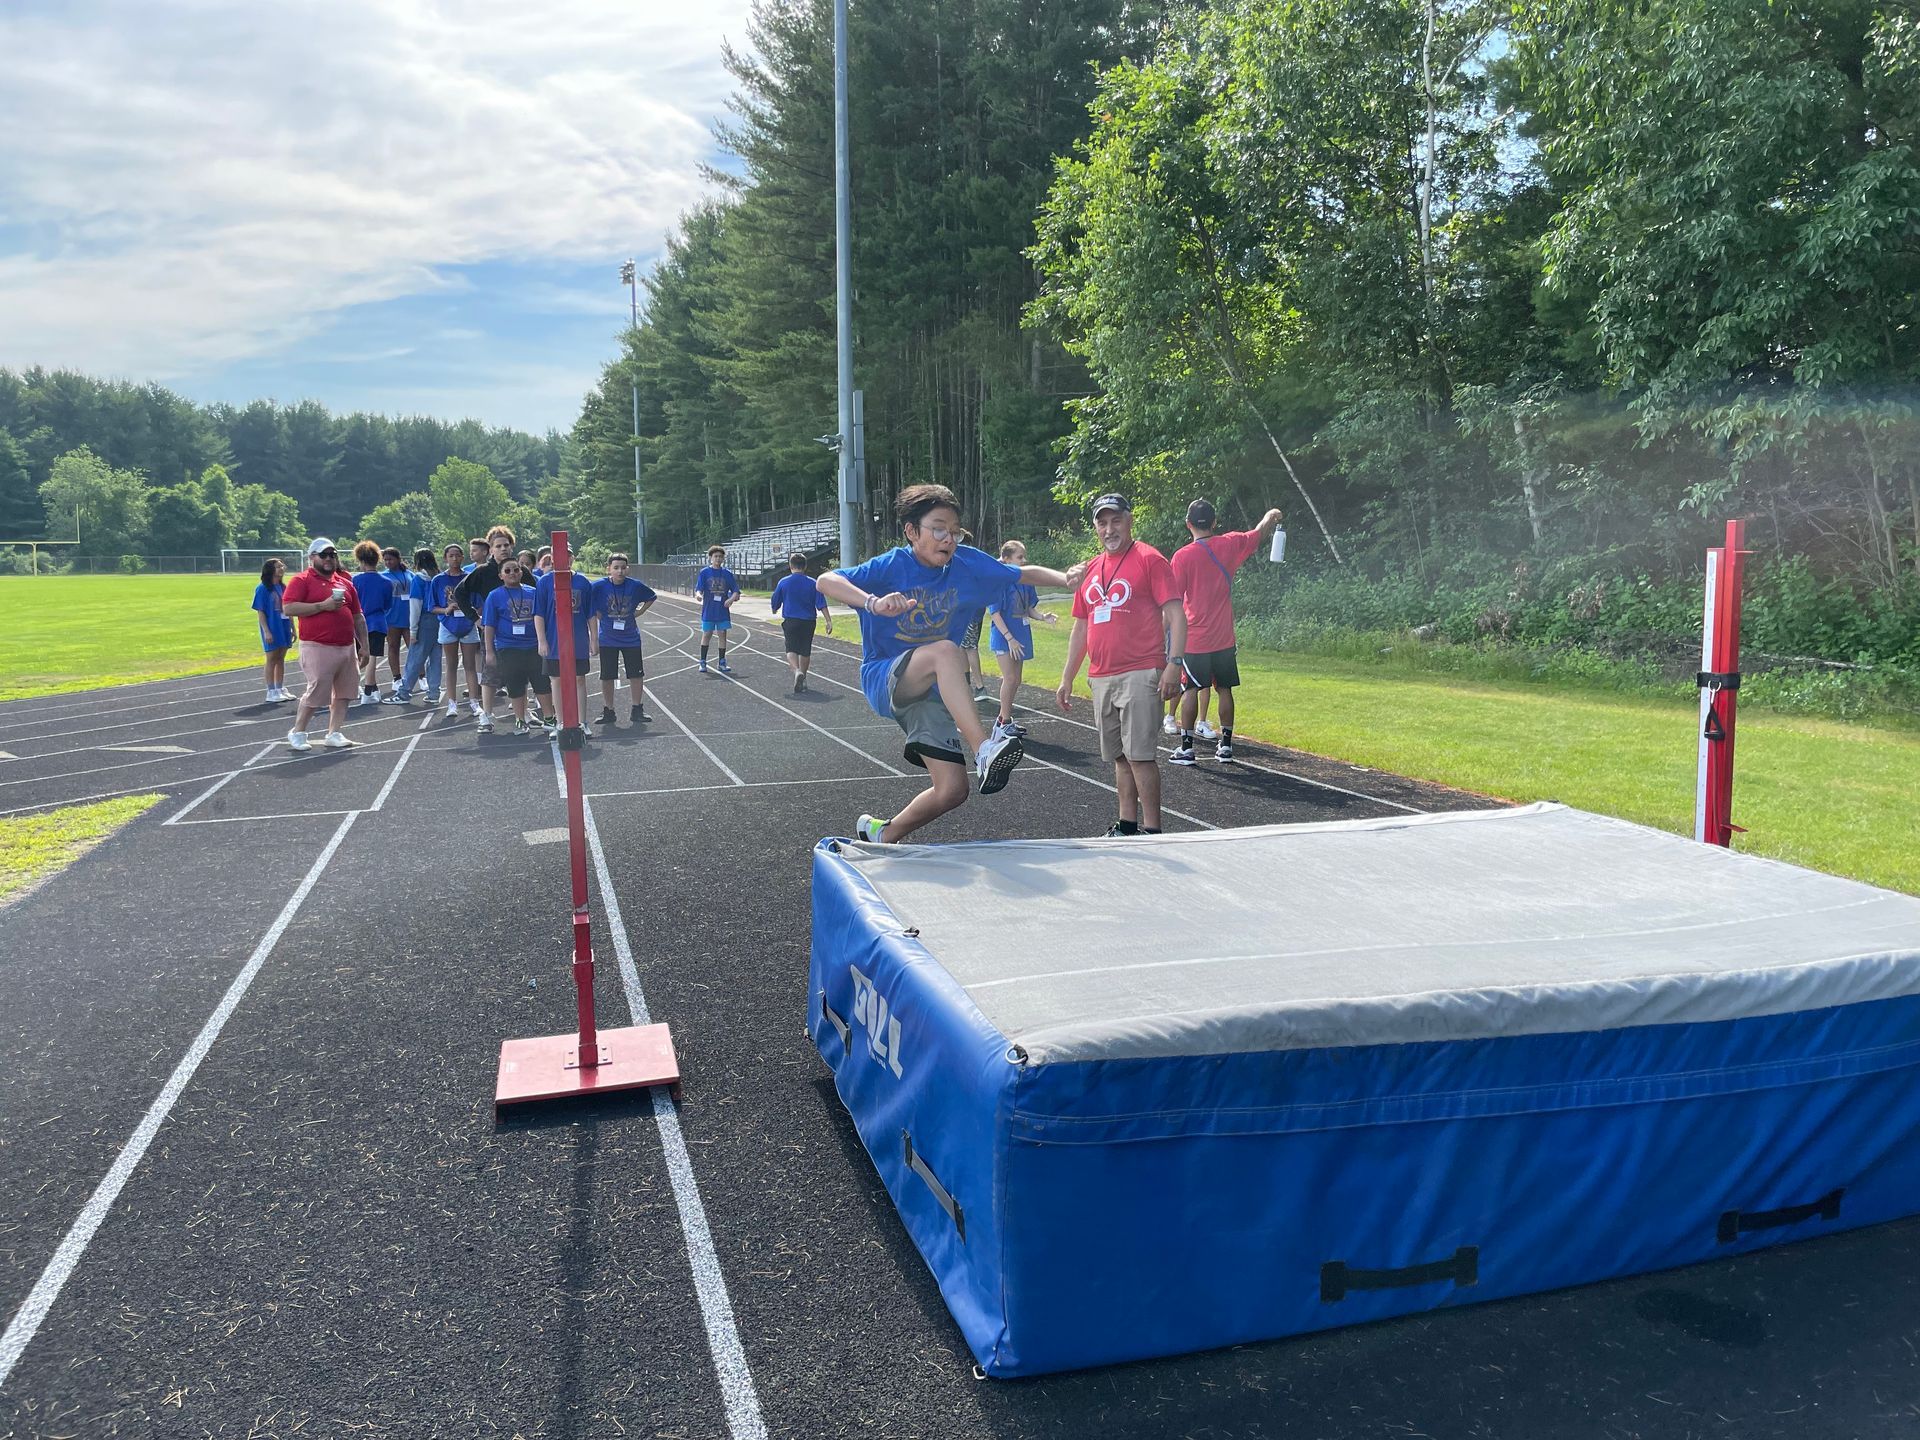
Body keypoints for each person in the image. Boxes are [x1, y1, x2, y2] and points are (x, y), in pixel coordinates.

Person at [817, 483, 1082, 845]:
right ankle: (984, 749)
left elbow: (1021, 573)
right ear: (912, 532)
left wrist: (1065, 579)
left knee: (953, 790)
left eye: (954, 531)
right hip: (887, 677)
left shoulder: (967, 563)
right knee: (947, 651)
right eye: (938, 529)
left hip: (932, 692)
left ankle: (882, 833)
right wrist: (873, 603)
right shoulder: (891, 565)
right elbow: (826, 579)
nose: (949, 539)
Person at [1056, 493, 1185, 836]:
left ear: (1129, 521)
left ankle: (1153, 830)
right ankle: (1127, 823)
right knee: (1119, 756)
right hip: (1101, 675)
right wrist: (1068, 676)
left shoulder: (1149, 559)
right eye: (1102, 522)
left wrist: (1174, 663)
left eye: (1115, 521)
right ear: (1096, 527)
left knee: (1140, 755)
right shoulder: (1091, 569)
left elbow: (1176, 614)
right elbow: (1081, 625)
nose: (1109, 528)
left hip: (1141, 670)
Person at [1168, 498, 1283, 764]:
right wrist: (1270, 515)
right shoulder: (1230, 544)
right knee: (1225, 689)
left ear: (1188, 524)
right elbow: (1258, 533)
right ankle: (1227, 744)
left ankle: (1186, 747)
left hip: (1195, 637)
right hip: (1223, 637)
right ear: (1214, 523)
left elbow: (1173, 602)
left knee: (1191, 690)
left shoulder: (1183, 556)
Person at [281, 537, 367, 752]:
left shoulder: (345, 582)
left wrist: (364, 645)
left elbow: (358, 616)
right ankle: (298, 731)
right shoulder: (301, 580)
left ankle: (334, 732)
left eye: (333, 554)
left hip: (346, 646)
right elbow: (289, 608)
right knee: (317, 690)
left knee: (345, 691)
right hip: (317, 644)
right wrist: (323, 606)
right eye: (324, 555)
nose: (329, 559)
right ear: (312, 557)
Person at [985, 540, 1055, 739]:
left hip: (1021, 633)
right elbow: (995, 613)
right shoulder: (999, 582)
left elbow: (1029, 608)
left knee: (1017, 680)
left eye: (1024, 557)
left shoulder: (1026, 580)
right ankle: (1004, 722)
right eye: (1019, 557)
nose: (1024, 561)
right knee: (1010, 678)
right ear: (1006, 559)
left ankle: (1003, 720)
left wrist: (1043, 616)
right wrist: (1009, 639)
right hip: (1005, 636)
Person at [452, 526, 517, 733]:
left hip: (520, 632)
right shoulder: (482, 572)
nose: (503, 549)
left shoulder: (518, 570)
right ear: (491, 549)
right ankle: (487, 716)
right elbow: (459, 593)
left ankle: (521, 714)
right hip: (493, 632)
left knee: (519, 672)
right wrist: (475, 618)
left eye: (506, 545)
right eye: (498, 546)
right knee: (491, 673)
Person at [481, 559, 548, 736]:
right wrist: (489, 652)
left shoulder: (533, 592)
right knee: (516, 685)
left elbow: (543, 617)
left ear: (521, 572)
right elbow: (489, 626)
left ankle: (550, 718)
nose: (512, 573)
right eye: (508, 571)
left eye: (516, 570)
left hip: (533, 646)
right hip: (508, 647)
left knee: (541, 683)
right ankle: (519, 720)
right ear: (501, 575)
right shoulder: (494, 596)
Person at [534, 557, 597, 736]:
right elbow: (538, 613)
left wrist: (594, 639)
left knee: (579, 679)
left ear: (572, 558)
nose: (565, 559)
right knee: (556, 680)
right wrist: (541, 640)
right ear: (553, 559)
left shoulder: (582, 582)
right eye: (561, 555)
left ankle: (582, 721)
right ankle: (560, 722)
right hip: (554, 639)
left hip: (577, 639)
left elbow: (590, 613)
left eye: (568, 555)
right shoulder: (545, 581)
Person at [592, 553, 656, 725]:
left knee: (636, 674)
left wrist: (640, 611)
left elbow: (651, 597)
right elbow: (589, 602)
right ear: (609, 569)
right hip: (608, 639)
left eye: (623, 567)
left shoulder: (634, 586)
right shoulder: (599, 586)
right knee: (607, 675)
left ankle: (637, 709)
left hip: (630, 638)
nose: (620, 571)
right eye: (616, 568)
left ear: (627, 569)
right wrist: (599, 615)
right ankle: (608, 710)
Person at [770, 552, 833, 693]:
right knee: (805, 650)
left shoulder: (783, 582)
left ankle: (797, 671)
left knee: (791, 648)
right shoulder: (813, 583)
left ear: (790, 566)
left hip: (791, 620)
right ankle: (803, 678)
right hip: (808, 621)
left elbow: (775, 600)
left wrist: (774, 609)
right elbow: (821, 603)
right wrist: (828, 620)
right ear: (804, 566)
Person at [429, 543, 476, 718]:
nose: (454, 559)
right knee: (451, 665)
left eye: (458, 555)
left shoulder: (470, 577)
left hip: (468, 624)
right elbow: (432, 606)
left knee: (470, 665)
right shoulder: (438, 580)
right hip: (448, 624)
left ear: (463, 557)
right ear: (445, 558)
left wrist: (470, 612)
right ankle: (451, 703)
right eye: (451, 555)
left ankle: (474, 701)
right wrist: (446, 610)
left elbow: (478, 603)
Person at [395, 547, 443, 703]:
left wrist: (413, 631)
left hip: (425, 620)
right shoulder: (439, 577)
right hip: (440, 619)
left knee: (416, 657)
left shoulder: (418, 579)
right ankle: (434, 692)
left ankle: (404, 692)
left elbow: (415, 605)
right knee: (435, 658)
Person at [349, 540, 394, 705]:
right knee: (372, 657)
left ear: (360, 560)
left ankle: (368, 688)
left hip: (357, 623)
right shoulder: (387, 582)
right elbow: (388, 605)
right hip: (378, 622)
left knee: (357, 656)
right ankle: (369, 689)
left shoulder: (355, 581)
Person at [252, 558, 294, 702]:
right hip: (272, 625)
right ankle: (271, 691)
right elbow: (261, 612)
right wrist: (267, 631)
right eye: (278, 566)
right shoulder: (263, 589)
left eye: (282, 566)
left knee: (281, 658)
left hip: (284, 625)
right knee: (272, 658)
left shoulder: (284, 588)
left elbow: (288, 608)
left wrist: (292, 627)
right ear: (271, 570)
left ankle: (280, 688)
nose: (282, 568)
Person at [694, 546, 740, 673]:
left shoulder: (727, 573)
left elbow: (736, 591)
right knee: (707, 634)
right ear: (710, 558)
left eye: (720, 556)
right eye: (716, 556)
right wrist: (698, 595)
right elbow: (699, 588)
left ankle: (722, 661)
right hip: (709, 609)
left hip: (722, 610)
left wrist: (730, 600)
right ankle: (703, 661)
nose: (718, 559)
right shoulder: (704, 573)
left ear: (723, 558)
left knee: (722, 634)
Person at [379, 546, 412, 700]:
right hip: (391, 617)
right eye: (385, 560)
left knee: (414, 648)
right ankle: (397, 678)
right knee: (393, 647)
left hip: (409, 616)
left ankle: (421, 676)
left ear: (398, 559)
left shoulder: (409, 574)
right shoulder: (383, 576)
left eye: (390, 559)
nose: (387, 562)